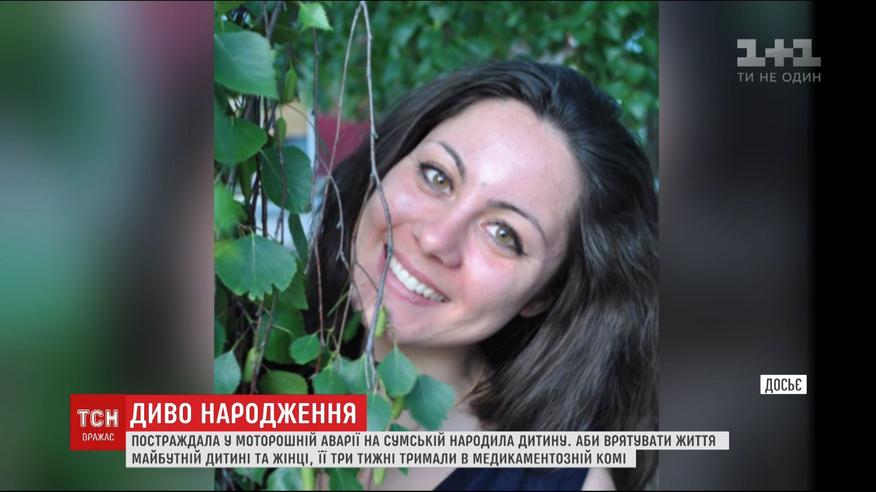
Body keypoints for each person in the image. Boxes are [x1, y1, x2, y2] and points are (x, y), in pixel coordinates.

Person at [305, 60, 658, 491]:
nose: (436, 239)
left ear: (545, 294)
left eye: (504, 234)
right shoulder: (259, 350)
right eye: (437, 177)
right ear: (391, 159)